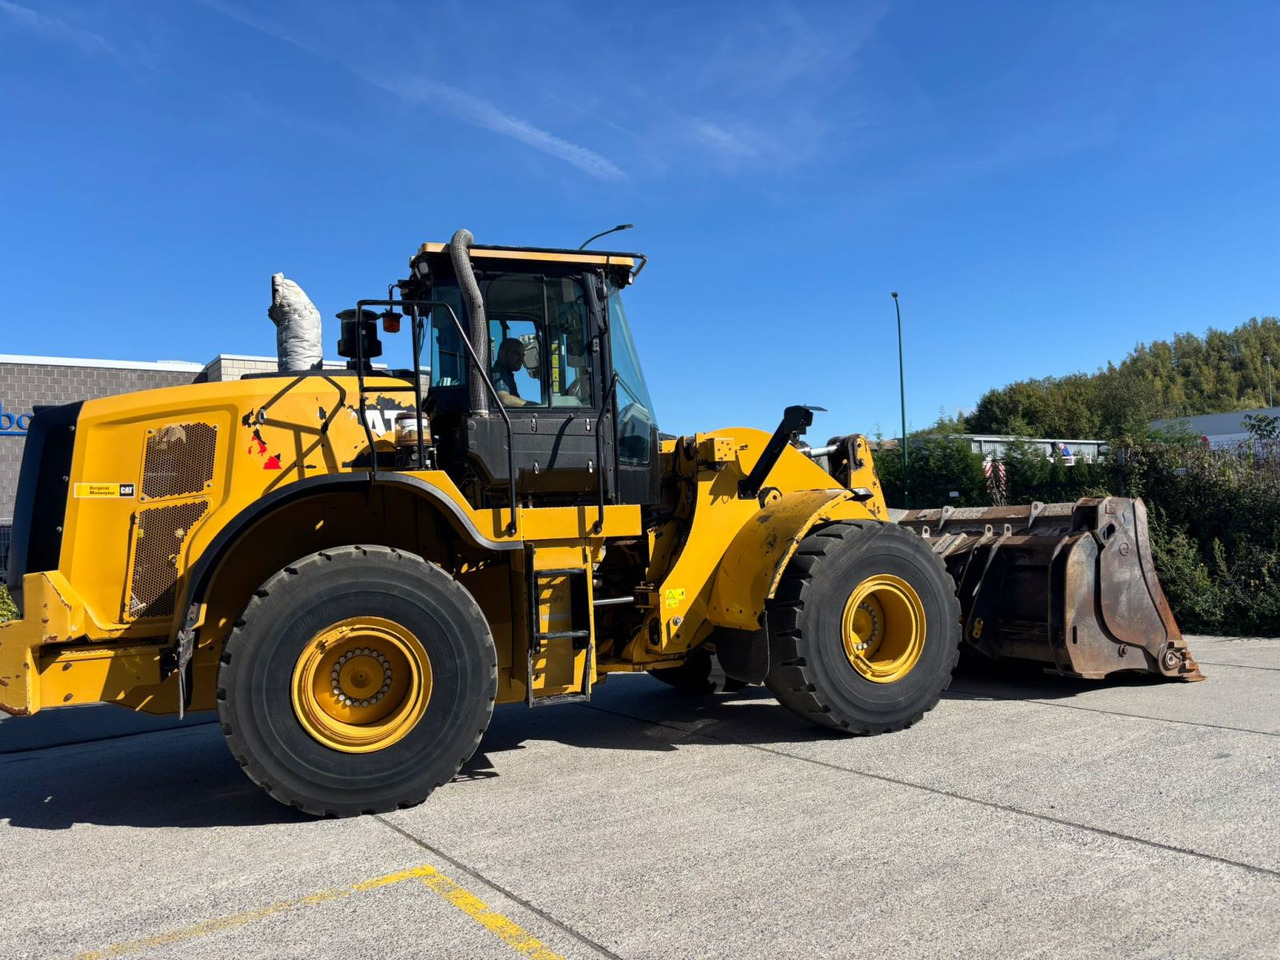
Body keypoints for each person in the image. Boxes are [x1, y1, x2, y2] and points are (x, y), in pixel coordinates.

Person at [490, 337, 531, 407]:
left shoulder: (508, 375)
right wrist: (533, 406)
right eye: (517, 354)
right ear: (503, 354)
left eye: (522, 355)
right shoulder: (498, 373)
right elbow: (504, 400)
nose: (521, 359)